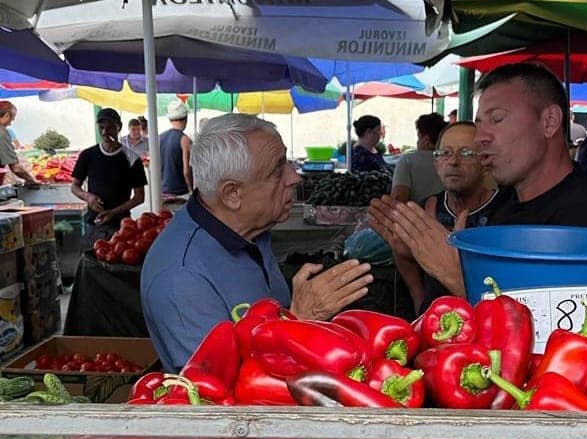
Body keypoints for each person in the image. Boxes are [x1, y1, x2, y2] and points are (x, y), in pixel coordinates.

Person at [369, 62, 587, 300]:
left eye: (497, 119)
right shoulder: (499, 205)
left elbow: (558, 337)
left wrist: (456, 275)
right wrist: (416, 258)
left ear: (549, 122)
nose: (480, 137)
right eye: (480, 123)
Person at [141, 113, 374, 372]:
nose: (294, 177)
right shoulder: (179, 278)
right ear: (232, 194)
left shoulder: (250, 229)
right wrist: (299, 320)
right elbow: (215, 390)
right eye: (277, 171)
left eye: (286, 161)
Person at [373, 121, 502, 312]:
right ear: (435, 163)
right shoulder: (423, 211)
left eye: (466, 153)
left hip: (488, 322)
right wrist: (418, 295)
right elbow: (402, 253)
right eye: (445, 153)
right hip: (433, 322)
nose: (453, 161)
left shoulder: (505, 213)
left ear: (484, 163)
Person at [70, 107, 146, 247]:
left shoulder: (132, 159)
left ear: (119, 127)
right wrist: (88, 197)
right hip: (93, 224)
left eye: (110, 127)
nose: (105, 132)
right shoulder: (88, 155)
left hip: (121, 227)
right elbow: (75, 186)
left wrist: (113, 212)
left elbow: (139, 197)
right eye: (102, 127)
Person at [390, 112, 446, 205]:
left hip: (416, 216)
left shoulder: (407, 160)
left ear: (425, 139)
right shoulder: (450, 160)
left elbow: (399, 197)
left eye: (418, 136)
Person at [0, 101, 39, 186]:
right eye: (11, 119)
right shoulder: (2, 132)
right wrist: (32, 180)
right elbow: (16, 168)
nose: (10, 124)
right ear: (7, 115)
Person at [160, 100, 193, 196]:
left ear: (170, 119)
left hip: (162, 191)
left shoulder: (159, 137)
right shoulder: (185, 139)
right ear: (186, 118)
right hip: (180, 192)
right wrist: (191, 189)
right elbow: (187, 171)